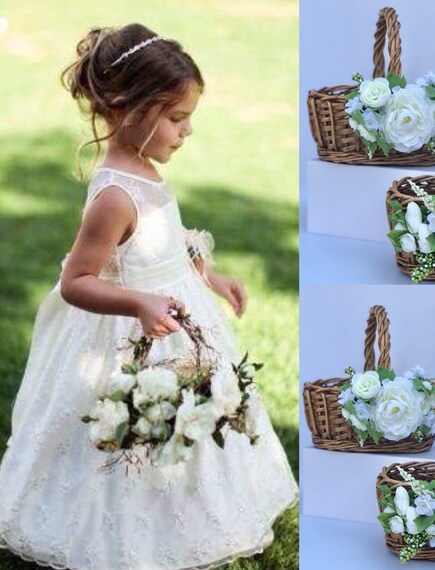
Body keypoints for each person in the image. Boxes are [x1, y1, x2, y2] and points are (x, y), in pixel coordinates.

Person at [0, 23, 298, 569]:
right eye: (177, 118)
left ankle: (193, 505)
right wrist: (139, 304)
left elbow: (162, 247)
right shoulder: (113, 195)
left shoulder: (147, 169)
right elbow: (77, 281)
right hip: (130, 334)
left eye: (189, 119)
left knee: (186, 422)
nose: (186, 132)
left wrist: (210, 277)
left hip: (178, 317)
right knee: (138, 422)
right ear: (128, 108)